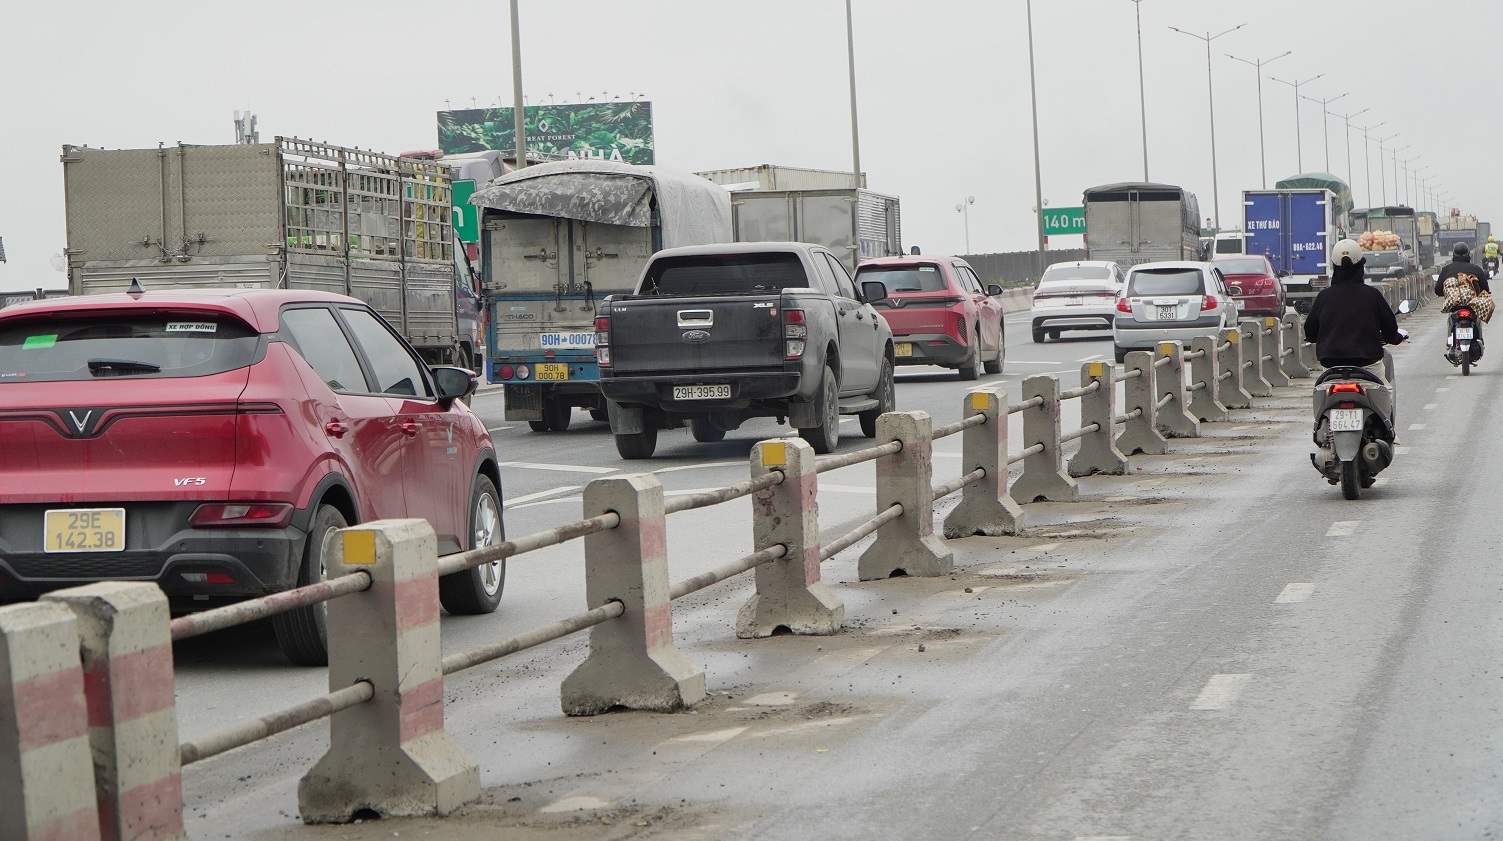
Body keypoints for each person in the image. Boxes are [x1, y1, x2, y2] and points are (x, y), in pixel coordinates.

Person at [1304, 238, 1406, 388]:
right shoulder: (1372, 295)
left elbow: (1310, 331)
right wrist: (1395, 338)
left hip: (1331, 369)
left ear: (1334, 266)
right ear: (1360, 266)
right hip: (1368, 367)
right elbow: (1390, 329)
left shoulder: (1324, 297)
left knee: (1319, 396)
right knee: (1386, 393)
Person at [1435, 241, 1491, 356]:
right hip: (1471, 306)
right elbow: (1485, 289)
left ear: (1453, 255)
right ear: (1468, 255)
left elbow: (1437, 290)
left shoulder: (1446, 269)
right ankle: (1479, 339)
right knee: (1478, 319)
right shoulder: (1476, 269)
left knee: (1450, 318)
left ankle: (1450, 341)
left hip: (1455, 306)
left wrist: (1444, 294)